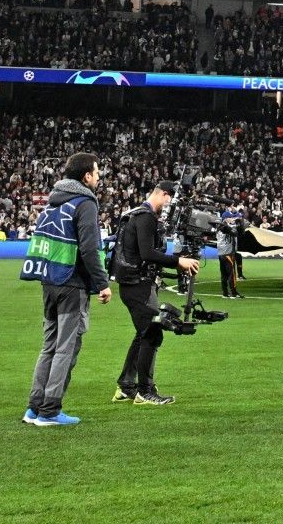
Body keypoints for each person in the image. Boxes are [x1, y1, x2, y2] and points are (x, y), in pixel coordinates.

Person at [21, 152, 112, 427]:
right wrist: (102, 284)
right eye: (97, 173)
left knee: (49, 346)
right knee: (66, 348)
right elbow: (89, 247)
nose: (99, 178)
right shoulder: (85, 203)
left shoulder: (53, 202)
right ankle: (50, 411)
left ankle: (34, 408)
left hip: (49, 281)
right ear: (86, 177)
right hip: (72, 284)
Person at [110, 179, 201, 405]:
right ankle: (145, 391)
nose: (172, 205)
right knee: (152, 333)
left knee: (143, 334)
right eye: (171, 198)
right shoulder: (146, 217)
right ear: (163, 195)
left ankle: (126, 386)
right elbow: (147, 254)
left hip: (133, 283)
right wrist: (178, 260)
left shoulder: (136, 213)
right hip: (137, 285)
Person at [215, 209, 244, 299]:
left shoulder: (219, 227)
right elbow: (236, 232)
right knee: (232, 274)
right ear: (226, 218)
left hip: (221, 253)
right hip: (228, 253)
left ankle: (225, 293)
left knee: (224, 274)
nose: (232, 219)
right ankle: (234, 292)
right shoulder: (225, 227)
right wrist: (238, 222)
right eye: (230, 218)